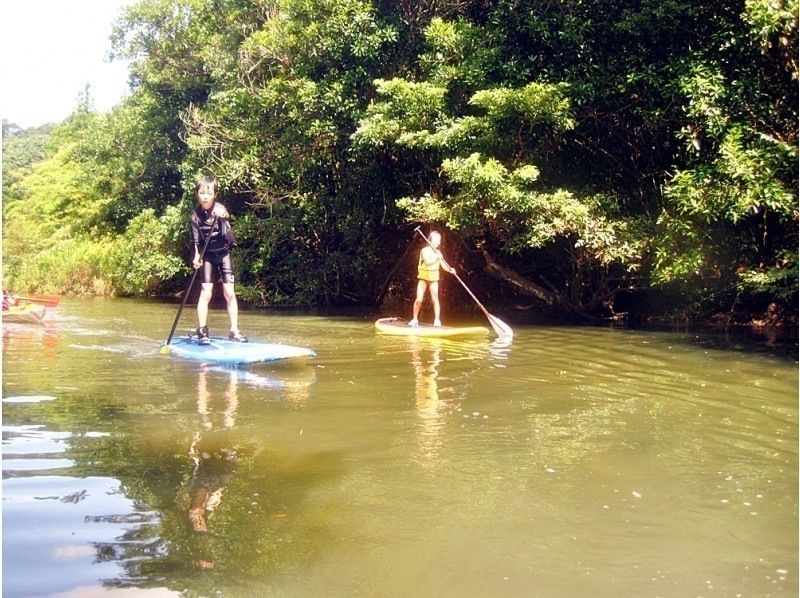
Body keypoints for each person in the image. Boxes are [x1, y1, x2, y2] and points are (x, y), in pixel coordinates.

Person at [190, 175, 247, 344]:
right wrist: (196, 257)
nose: (205, 197)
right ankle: (202, 331)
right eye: (201, 193)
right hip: (207, 256)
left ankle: (234, 331)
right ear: (197, 194)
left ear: (215, 194)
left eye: (209, 193)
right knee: (206, 292)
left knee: (229, 292)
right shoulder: (195, 216)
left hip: (223, 254)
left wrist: (222, 215)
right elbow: (195, 242)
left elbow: (226, 215)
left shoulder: (220, 209)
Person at [409, 231, 455, 327]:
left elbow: (444, 266)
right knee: (419, 299)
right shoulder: (424, 251)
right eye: (437, 240)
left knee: (435, 299)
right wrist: (436, 257)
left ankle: (437, 320)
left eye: (440, 240)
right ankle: (414, 319)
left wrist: (451, 270)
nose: (439, 242)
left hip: (433, 278)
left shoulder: (439, 253)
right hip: (423, 278)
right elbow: (428, 262)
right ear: (431, 240)